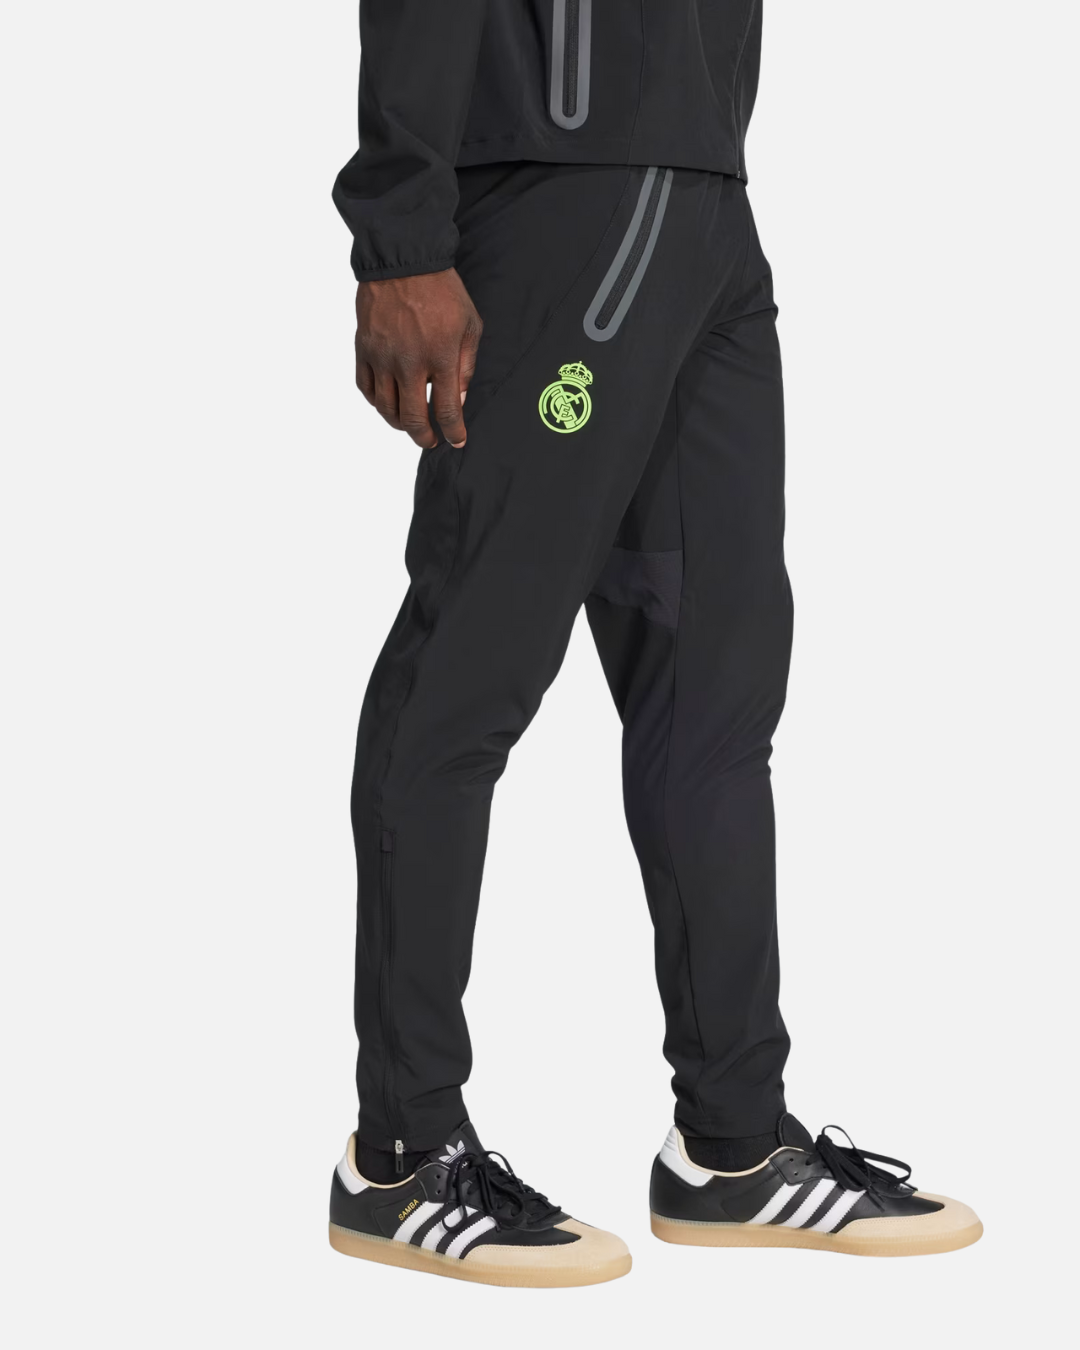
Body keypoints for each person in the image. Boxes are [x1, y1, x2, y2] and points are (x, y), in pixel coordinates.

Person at [325, 2, 981, 1286]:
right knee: (467, 677)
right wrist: (401, 234)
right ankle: (400, 1155)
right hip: (562, 186)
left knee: (717, 695)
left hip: (708, 199)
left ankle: (732, 1148)